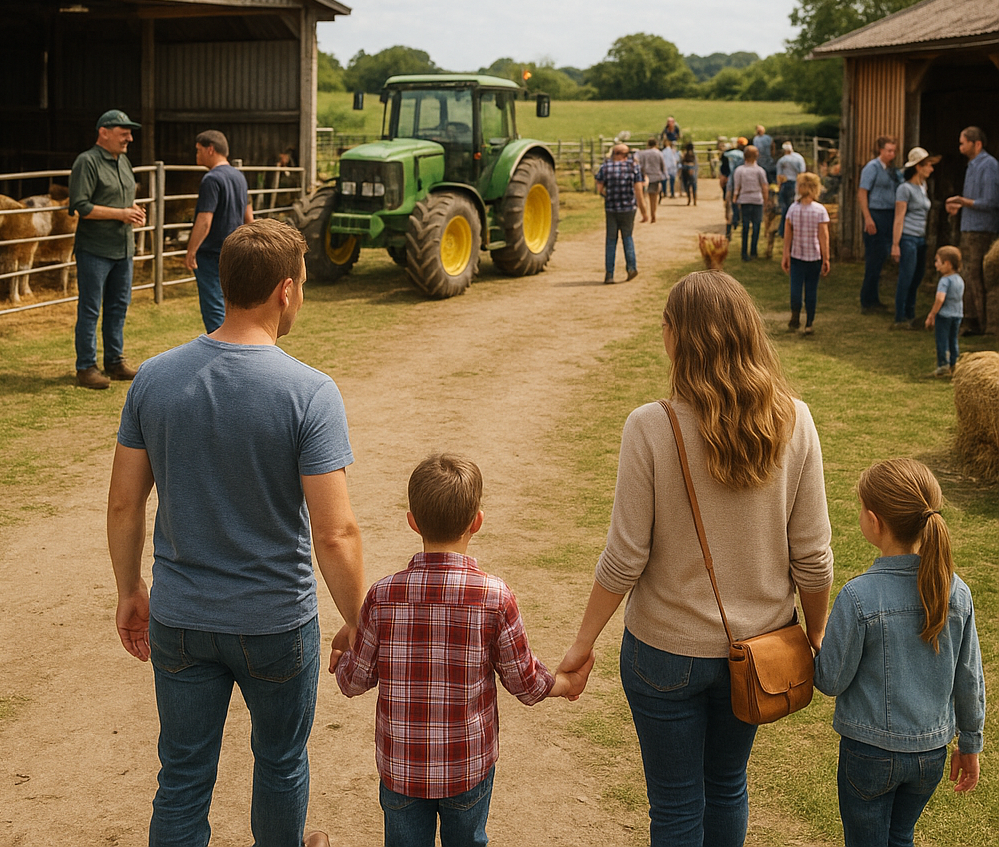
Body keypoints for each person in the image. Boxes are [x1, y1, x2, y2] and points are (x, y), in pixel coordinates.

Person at [107, 218, 365, 847]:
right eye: (303, 284)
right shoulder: (310, 392)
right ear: (285, 290)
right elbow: (335, 533)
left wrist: (129, 588)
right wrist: (359, 619)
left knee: (182, 775)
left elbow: (123, 504)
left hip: (181, 617)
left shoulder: (154, 378)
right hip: (274, 621)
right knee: (280, 763)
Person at [557, 270, 833, 847]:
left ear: (674, 334)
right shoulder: (796, 420)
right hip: (759, 651)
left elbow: (624, 558)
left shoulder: (649, 426)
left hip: (664, 651)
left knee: (676, 806)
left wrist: (581, 645)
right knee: (727, 785)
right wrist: (816, 632)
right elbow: (813, 557)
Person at [333, 453, 591, 847]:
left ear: (412, 521)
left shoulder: (382, 596)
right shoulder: (495, 597)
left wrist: (342, 660)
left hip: (402, 768)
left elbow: (354, 682)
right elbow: (525, 683)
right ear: (477, 521)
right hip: (467, 767)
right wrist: (567, 683)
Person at [814, 459, 984, 847]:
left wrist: (815, 647)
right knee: (900, 837)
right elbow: (970, 679)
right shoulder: (957, 592)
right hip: (930, 756)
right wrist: (970, 744)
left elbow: (830, 680)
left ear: (874, 521)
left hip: (868, 755)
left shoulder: (858, 597)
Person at [68, 109, 147, 390]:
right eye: (123, 132)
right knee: (90, 309)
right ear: (104, 132)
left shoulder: (123, 162)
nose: (129, 138)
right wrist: (121, 214)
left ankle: (114, 361)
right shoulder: (87, 162)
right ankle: (86, 367)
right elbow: (81, 206)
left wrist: (133, 210)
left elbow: (120, 201)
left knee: (118, 306)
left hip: (122, 249)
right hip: (95, 249)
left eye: (130, 133)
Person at [185, 130, 254, 333]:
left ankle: (220, 346)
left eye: (199, 150)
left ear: (211, 149)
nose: (196, 154)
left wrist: (191, 251)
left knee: (214, 308)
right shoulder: (239, 177)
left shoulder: (211, 179)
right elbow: (249, 217)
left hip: (211, 253)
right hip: (234, 252)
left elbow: (204, 221)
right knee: (232, 305)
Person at [945, 126, 999, 336]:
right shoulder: (972, 166)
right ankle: (970, 319)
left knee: (977, 275)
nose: (960, 146)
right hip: (969, 227)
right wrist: (959, 207)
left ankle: (984, 323)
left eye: (963, 142)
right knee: (967, 274)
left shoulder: (989, 166)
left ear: (976, 144)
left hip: (981, 230)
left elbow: (991, 201)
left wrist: (962, 201)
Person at [891, 147, 939, 330]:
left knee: (917, 276)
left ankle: (910, 313)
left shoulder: (923, 187)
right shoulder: (904, 189)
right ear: (918, 167)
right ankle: (900, 317)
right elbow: (899, 218)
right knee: (906, 276)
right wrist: (896, 244)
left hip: (920, 238)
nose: (931, 169)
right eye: (928, 165)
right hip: (908, 237)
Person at [781, 172, 830, 336]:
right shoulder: (818, 210)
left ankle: (798, 317)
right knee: (808, 291)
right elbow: (823, 236)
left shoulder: (794, 209)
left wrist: (786, 254)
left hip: (800, 256)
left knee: (798, 289)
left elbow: (788, 233)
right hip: (810, 257)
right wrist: (826, 258)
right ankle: (806, 321)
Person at [858, 136, 901, 314]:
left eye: (894, 151)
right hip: (876, 213)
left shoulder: (892, 170)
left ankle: (874, 298)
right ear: (881, 150)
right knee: (874, 258)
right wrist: (868, 218)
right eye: (889, 151)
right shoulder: (872, 167)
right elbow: (862, 193)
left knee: (881, 257)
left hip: (890, 214)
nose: (892, 154)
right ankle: (867, 301)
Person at [595, 143, 645, 284]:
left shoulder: (605, 167)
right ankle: (631, 268)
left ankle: (609, 274)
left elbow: (599, 188)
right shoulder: (633, 167)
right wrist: (644, 211)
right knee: (627, 237)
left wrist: (607, 195)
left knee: (611, 241)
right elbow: (638, 190)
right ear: (624, 154)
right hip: (628, 208)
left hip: (611, 209)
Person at [925, 245, 964, 378]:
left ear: (947, 264)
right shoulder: (959, 279)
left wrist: (932, 314)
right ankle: (954, 364)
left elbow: (940, 298)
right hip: (957, 314)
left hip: (944, 315)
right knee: (953, 340)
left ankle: (943, 365)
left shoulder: (945, 281)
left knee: (942, 340)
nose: (935, 264)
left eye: (937, 261)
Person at [733, 145, 769, 261]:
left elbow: (737, 186)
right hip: (757, 199)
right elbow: (764, 186)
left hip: (745, 199)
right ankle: (753, 251)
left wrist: (735, 198)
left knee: (745, 226)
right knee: (756, 226)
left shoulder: (740, 170)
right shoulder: (759, 171)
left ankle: (744, 252)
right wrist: (766, 200)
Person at [776, 141, 806, 238]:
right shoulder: (799, 158)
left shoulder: (782, 160)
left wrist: (779, 186)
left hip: (785, 184)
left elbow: (779, 176)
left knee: (785, 208)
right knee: (795, 207)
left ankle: (782, 230)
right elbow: (802, 172)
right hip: (795, 183)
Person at [636, 137, 666, 221]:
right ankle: (653, 214)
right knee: (654, 197)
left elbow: (640, 165)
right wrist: (664, 175)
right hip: (656, 176)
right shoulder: (659, 153)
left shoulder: (643, 153)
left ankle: (645, 214)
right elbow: (663, 165)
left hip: (645, 177)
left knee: (644, 197)